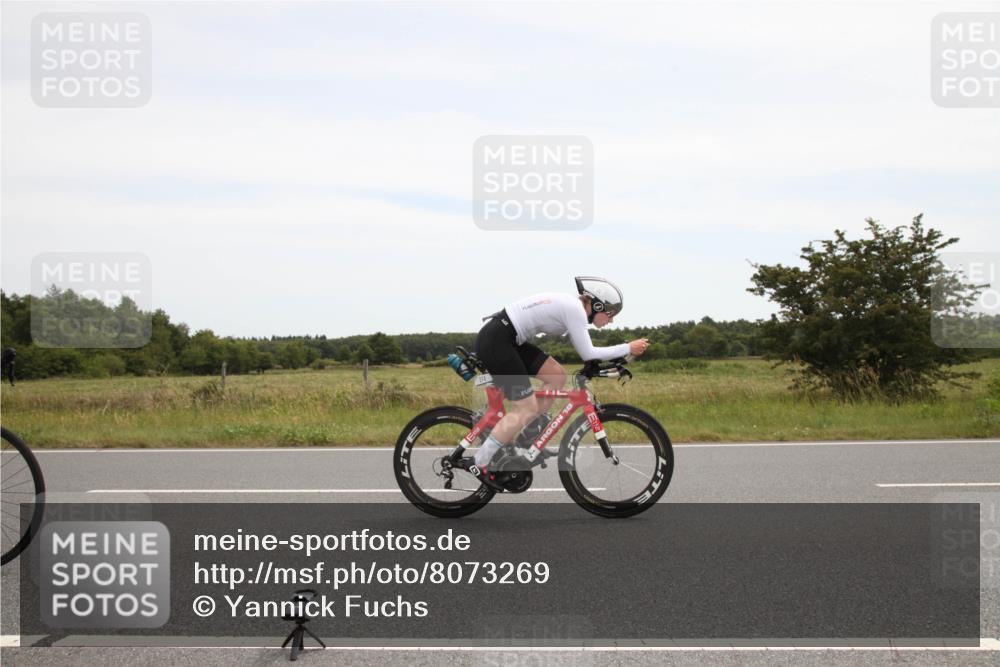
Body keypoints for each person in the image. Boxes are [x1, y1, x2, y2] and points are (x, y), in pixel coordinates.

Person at [461, 277, 649, 488]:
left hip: (509, 339)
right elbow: (588, 353)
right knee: (526, 407)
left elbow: (586, 353)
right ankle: (479, 462)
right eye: (610, 314)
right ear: (597, 306)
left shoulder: (572, 309)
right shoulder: (575, 310)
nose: (611, 320)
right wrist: (627, 348)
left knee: (556, 376)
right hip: (499, 340)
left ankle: (528, 437)